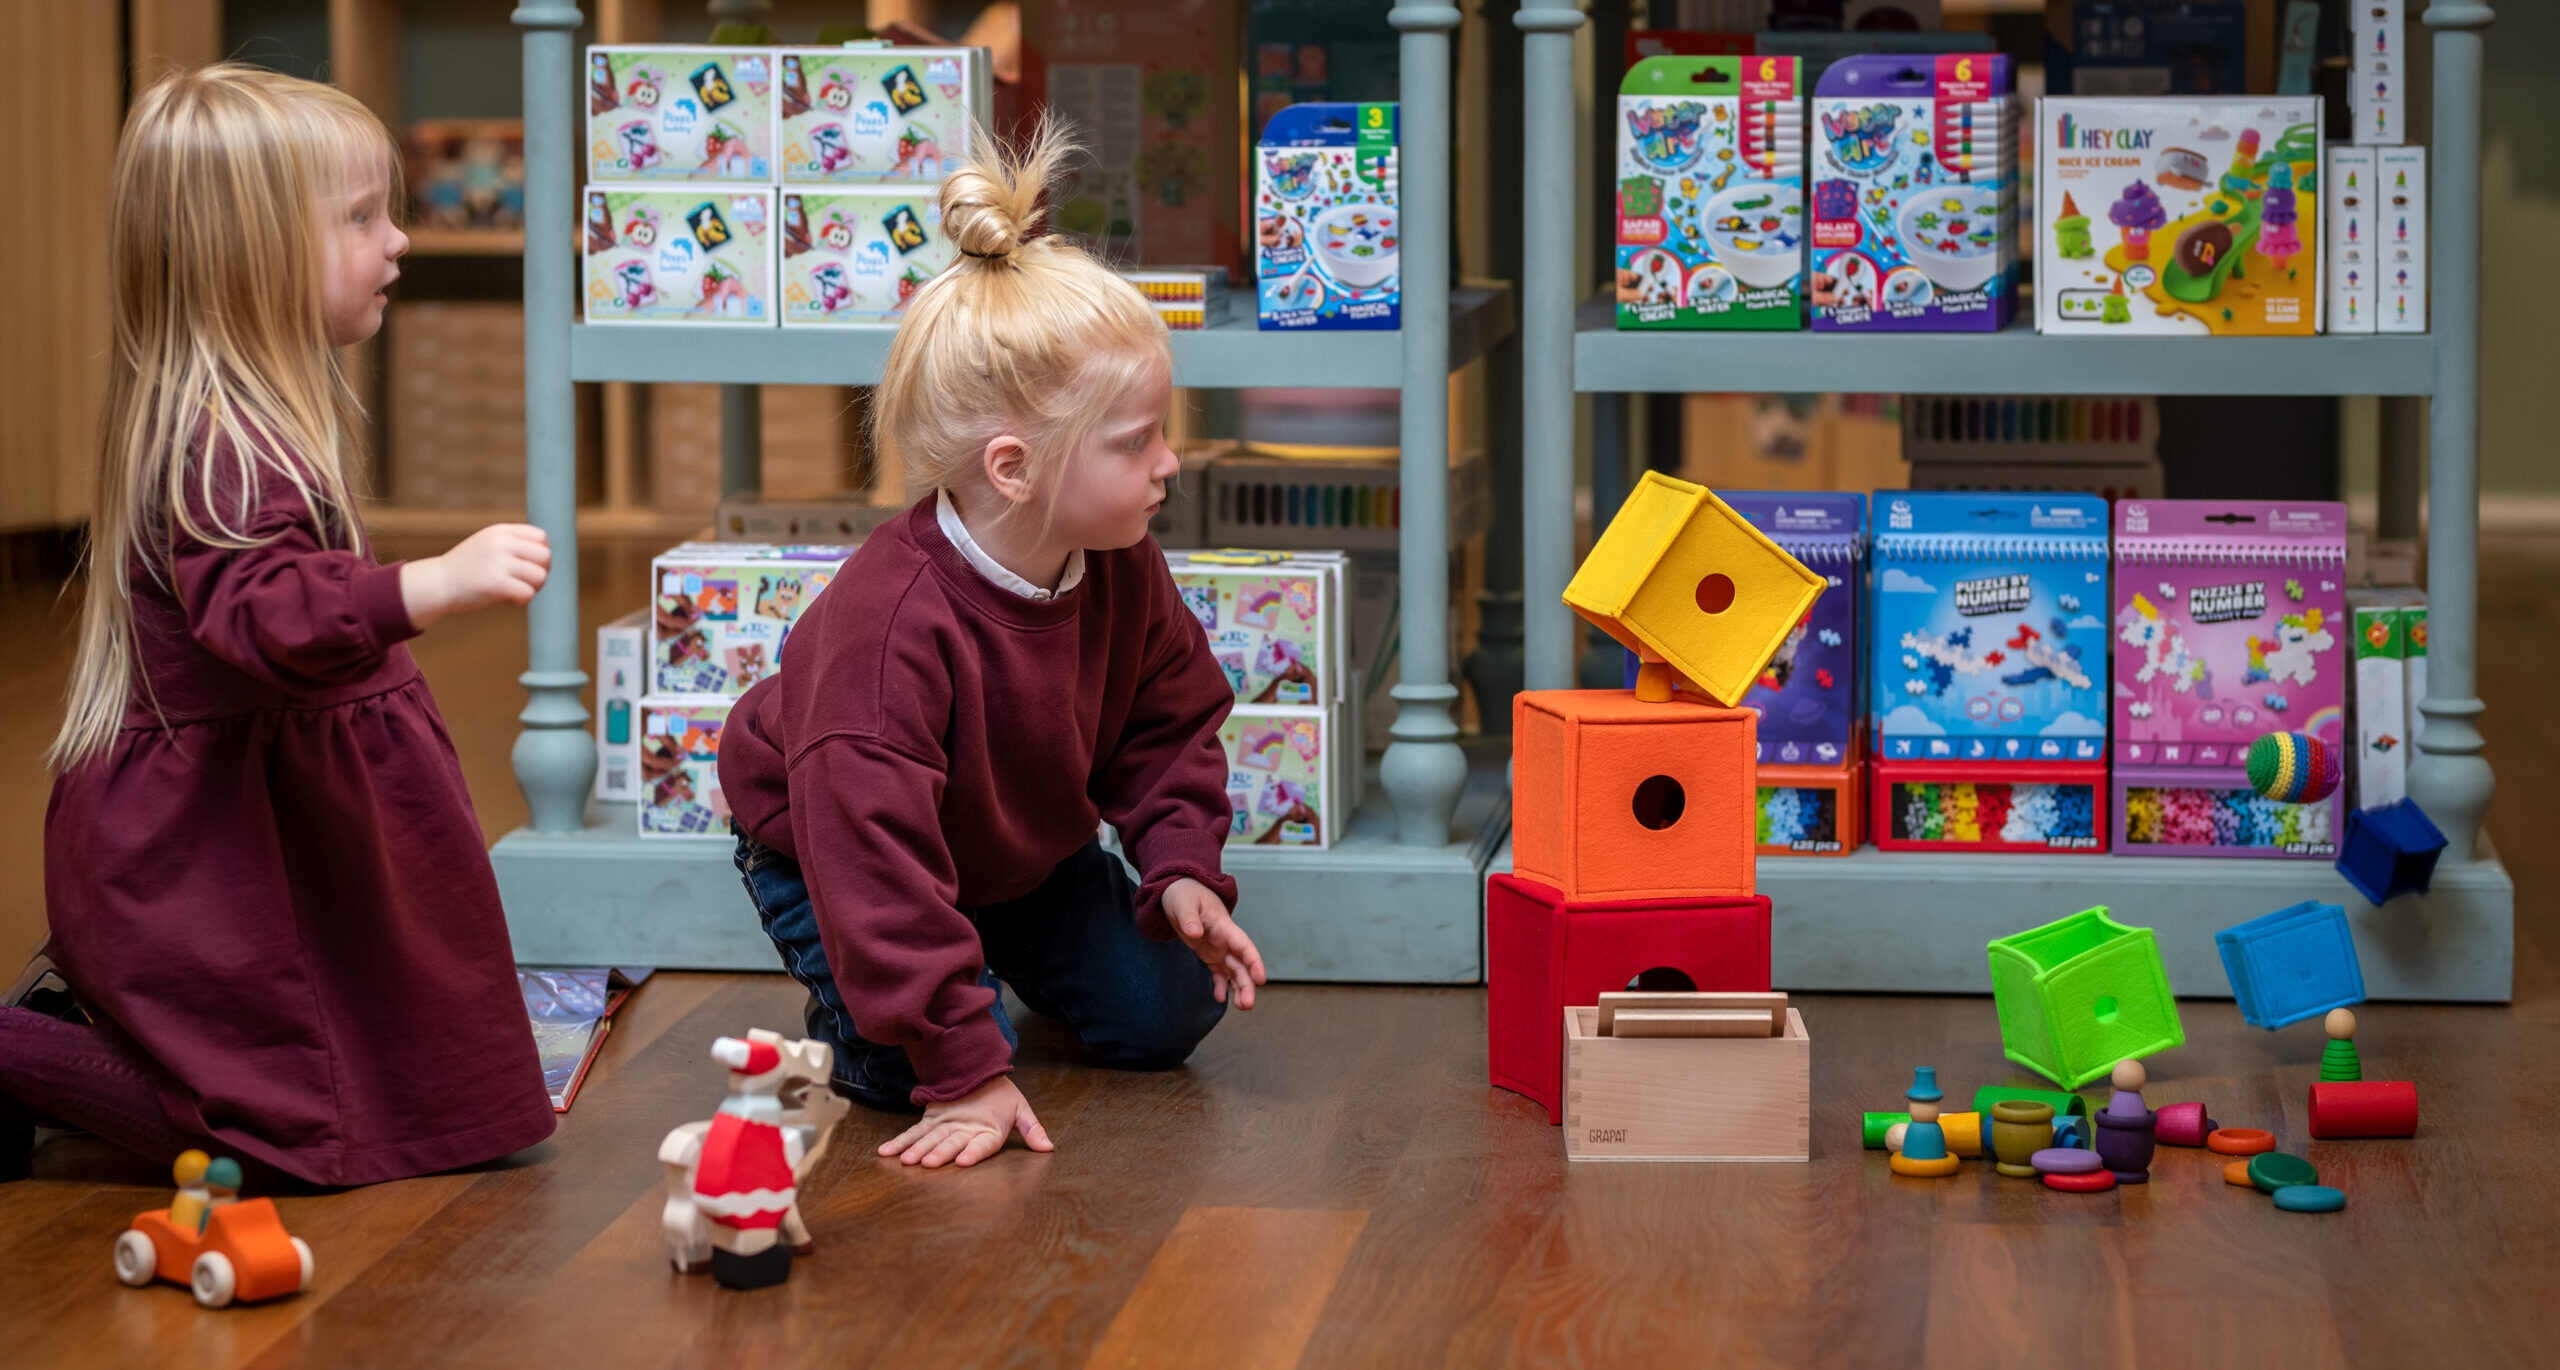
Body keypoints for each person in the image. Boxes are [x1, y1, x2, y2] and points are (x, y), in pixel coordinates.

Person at [0, 64, 556, 1186]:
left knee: (365, 1077)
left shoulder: (253, 414)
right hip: (221, 847)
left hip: (283, 814)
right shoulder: (218, 439)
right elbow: (260, 614)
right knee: (280, 1131)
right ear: (251, 257)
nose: (397, 240)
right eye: (361, 217)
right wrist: (424, 586)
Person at [721, 121, 1266, 1171]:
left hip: (1014, 845)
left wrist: (1179, 860)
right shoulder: (886, 628)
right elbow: (871, 855)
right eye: (1135, 441)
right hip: (835, 850)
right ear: (1013, 466)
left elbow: (1167, 717)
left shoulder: (1116, 555)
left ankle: (969, 960)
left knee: (1167, 1018)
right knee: (905, 1071)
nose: (1171, 461)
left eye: (1165, 429)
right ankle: (897, 985)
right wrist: (964, 1067)